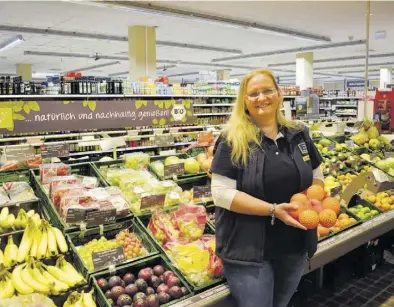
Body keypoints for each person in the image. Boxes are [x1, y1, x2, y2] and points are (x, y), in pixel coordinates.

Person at [211, 69, 324, 307]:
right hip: (248, 250)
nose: (262, 98)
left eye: (267, 90)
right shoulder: (232, 140)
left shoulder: (298, 134)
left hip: (294, 243)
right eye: (253, 94)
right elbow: (221, 194)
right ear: (244, 101)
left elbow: (316, 173)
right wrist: (272, 210)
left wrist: (315, 197)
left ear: (279, 94)